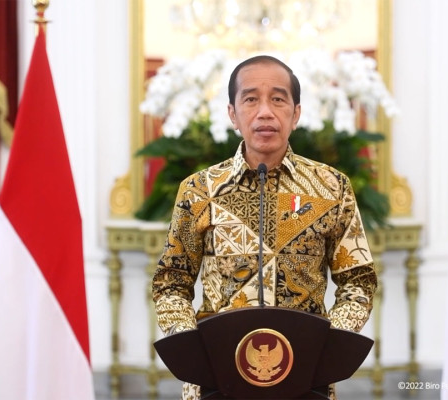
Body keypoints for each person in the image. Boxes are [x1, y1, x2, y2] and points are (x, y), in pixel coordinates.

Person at [152, 55, 377, 400]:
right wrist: (196, 351)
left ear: (296, 113)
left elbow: (358, 281)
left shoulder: (332, 187)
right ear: (232, 114)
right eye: (251, 99)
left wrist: (323, 348)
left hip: (305, 380)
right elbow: (171, 282)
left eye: (278, 99)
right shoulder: (199, 190)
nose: (265, 112)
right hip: (216, 379)